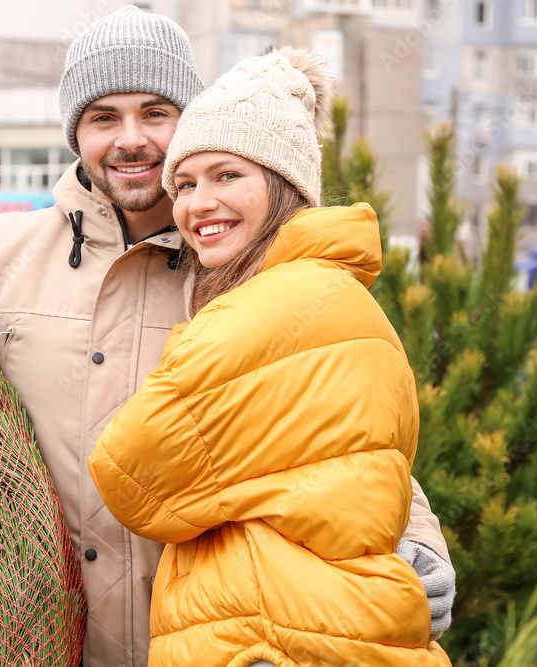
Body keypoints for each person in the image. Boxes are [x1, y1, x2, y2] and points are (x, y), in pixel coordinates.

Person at [0, 7, 455, 666]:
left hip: (201, 644)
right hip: (37, 644)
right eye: (104, 118)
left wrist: (419, 538)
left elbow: (342, 429)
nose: (131, 139)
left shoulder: (243, 268)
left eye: (157, 113)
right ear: (76, 133)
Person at [87, 47, 451, 667]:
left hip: (271, 638)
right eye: (186, 183)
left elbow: (130, 474)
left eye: (227, 176)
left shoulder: (263, 306)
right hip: (316, 629)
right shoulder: (338, 295)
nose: (198, 203)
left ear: (285, 188)